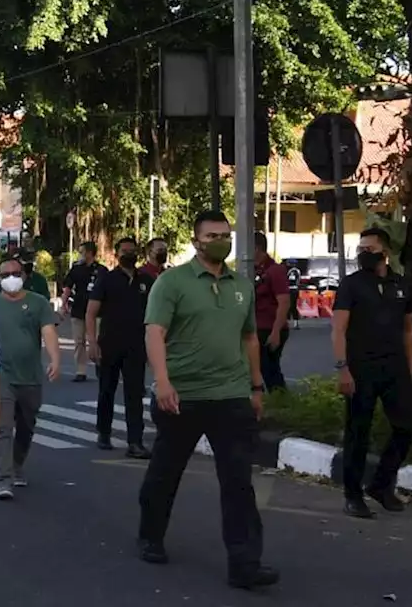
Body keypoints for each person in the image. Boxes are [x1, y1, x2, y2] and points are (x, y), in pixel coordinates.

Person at [138, 210, 277, 590]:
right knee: (165, 473)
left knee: (238, 482)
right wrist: (162, 382)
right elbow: (155, 333)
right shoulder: (172, 282)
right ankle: (151, 534)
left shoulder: (241, 285)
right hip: (182, 396)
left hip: (231, 396)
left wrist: (256, 387)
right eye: (213, 234)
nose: (221, 240)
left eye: (225, 234)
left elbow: (249, 338)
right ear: (196, 240)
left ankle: (245, 563)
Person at [331, 227, 412, 519]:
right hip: (360, 369)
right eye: (360, 249)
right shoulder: (352, 285)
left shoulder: (402, 285)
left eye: (369, 249)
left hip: (395, 368)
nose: (363, 254)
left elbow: (408, 331)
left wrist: (411, 369)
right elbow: (338, 329)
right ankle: (353, 496)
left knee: (406, 427)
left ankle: (381, 485)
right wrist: (342, 369)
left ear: (385, 251)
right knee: (359, 433)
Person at [0, 256, 60, 499]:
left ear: (24, 275)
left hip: (30, 376)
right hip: (1, 374)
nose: (11, 279)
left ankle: (17, 464)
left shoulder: (38, 303)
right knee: (3, 426)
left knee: (27, 426)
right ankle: (4, 479)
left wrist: (55, 359)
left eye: (16, 273)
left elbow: (48, 331)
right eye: (5, 275)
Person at [86, 237, 154, 459]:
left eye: (133, 251)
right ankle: (103, 433)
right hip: (110, 343)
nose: (129, 254)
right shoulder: (107, 280)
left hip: (136, 345)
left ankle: (135, 441)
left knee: (134, 393)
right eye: (125, 251)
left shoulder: (146, 280)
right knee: (107, 389)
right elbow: (91, 312)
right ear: (116, 254)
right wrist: (92, 342)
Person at [60, 241, 106, 382]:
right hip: (79, 309)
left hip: (98, 311)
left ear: (90, 253)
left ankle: (100, 364)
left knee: (99, 340)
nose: (80, 255)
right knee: (79, 341)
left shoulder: (102, 270)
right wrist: (63, 304)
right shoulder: (76, 269)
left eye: (82, 251)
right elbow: (67, 287)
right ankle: (81, 370)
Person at [252, 233, 290, 391]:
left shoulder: (275, 271)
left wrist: (275, 332)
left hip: (270, 327)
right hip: (256, 327)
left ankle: (281, 402)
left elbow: (284, 302)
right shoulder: (252, 270)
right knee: (257, 367)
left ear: (257, 248)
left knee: (269, 370)